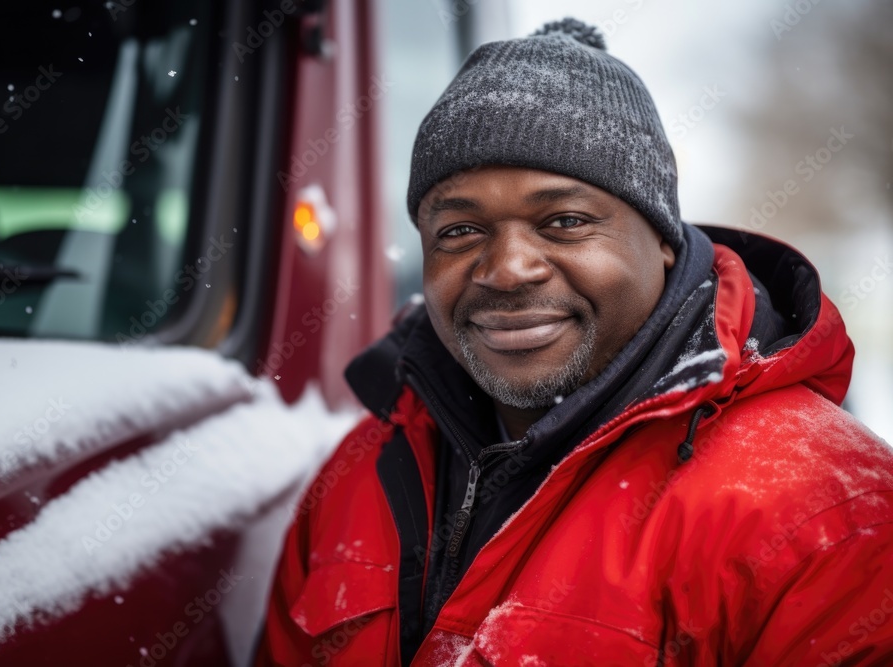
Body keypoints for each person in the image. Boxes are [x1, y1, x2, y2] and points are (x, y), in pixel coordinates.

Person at [255, 18, 893, 666]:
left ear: (664, 242)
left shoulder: (828, 510)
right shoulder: (360, 469)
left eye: (564, 221)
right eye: (460, 230)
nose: (505, 269)